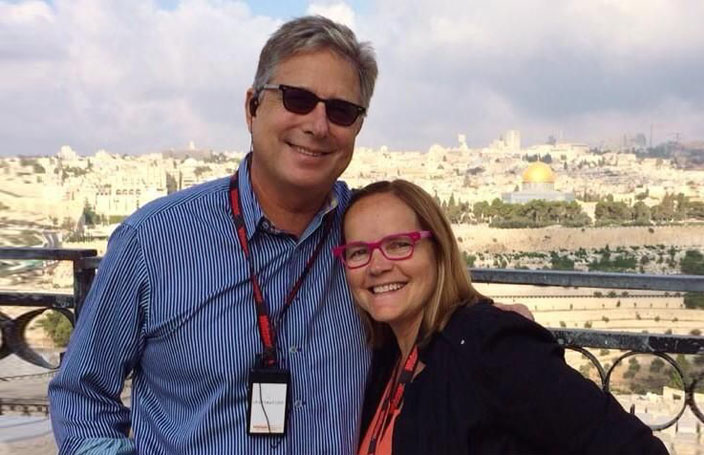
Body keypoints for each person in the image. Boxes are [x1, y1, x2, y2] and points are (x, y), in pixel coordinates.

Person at [48, 15, 528, 455]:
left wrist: (488, 325)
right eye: (297, 99)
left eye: (341, 111)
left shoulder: (367, 242)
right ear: (252, 107)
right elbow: (81, 397)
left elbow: (433, 299)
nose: (317, 126)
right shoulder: (154, 240)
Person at [333, 180, 669, 455]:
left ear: (438, 251)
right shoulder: (385, 358)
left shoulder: (490, 345)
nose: (377, 266)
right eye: (359, 252)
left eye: (398, 245)